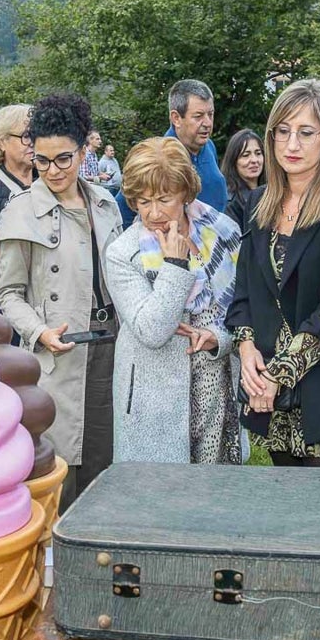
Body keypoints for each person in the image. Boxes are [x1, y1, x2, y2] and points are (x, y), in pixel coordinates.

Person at [225, 79, 320, 468]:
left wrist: (280, 373)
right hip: (267, 386)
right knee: (285, 509)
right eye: (283, 132)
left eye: (306, 133)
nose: (292, 145)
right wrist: (246, 353)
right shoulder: (259, 202)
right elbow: (244, 293)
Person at [0, 93, 123, 508]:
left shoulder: (106, 205)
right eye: (42, 160)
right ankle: (57, 561)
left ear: (84, 150)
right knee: (61, 468)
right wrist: (39, 332)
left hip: (114, 349)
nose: (52, 171)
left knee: (109, 464)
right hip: (61, 354)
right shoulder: (21, 211)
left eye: (64, 159)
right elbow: (9, 293)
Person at [106, 136, 242, 464]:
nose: (153, 212)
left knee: (215, 495)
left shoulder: (223, 234)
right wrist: (176, 265)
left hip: (215, 390)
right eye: (142, 201)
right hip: (155, 405)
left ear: (184, 192)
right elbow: (152, 329)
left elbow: (242, 311)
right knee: (162, 501)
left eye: (164, 199)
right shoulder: (122, 253)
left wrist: (219, 340)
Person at [116, 79, 228, 227]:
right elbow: (121, 209)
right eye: (198, 116)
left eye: (210, 114)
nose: (207, 123)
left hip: (213, 240)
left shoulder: (208, 146)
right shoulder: (156, 160)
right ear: (176, 118)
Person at [0, 103, 35, 230]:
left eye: (37, 135)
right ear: (1, 142)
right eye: (26, 136)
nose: (33, 142)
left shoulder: (49, 182)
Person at [220, 128, 265, 224]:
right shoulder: (230, 204)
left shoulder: (270, 192)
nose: (254, 160)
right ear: (233, 161)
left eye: (258, 153)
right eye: (245, 155)